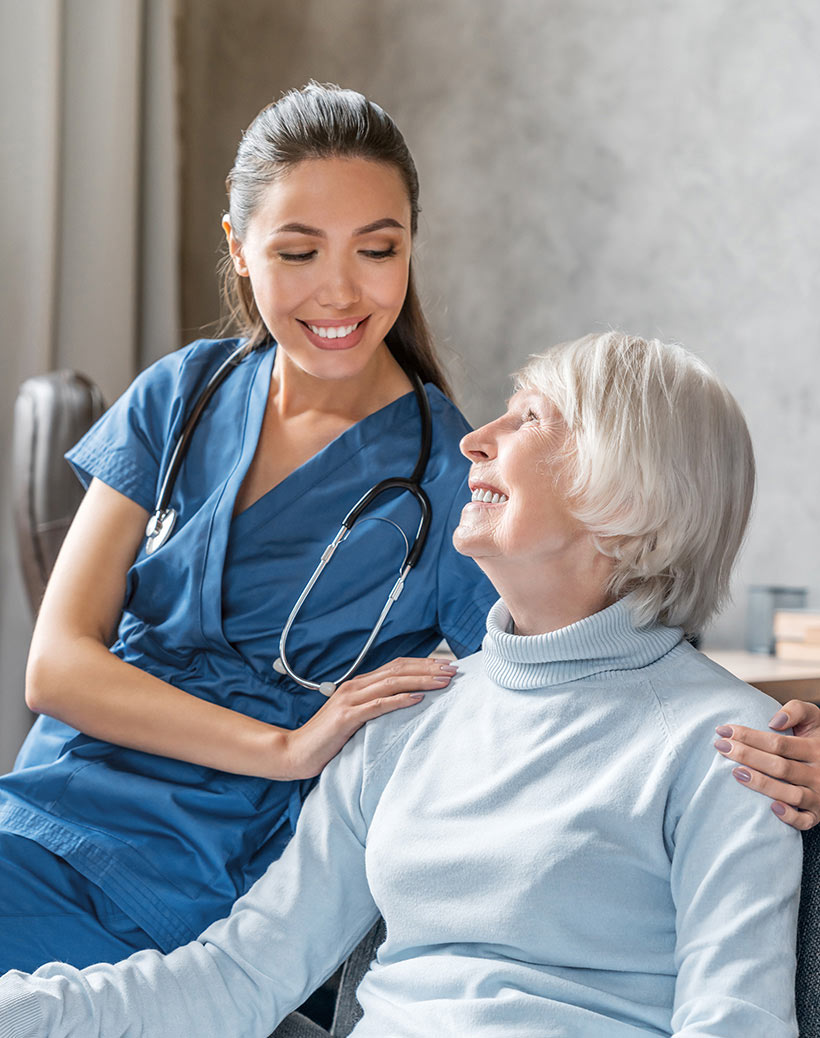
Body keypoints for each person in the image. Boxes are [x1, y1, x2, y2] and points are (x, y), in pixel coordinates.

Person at [0, 332, 802, 1037]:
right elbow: (238, 979)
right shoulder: (407, 717)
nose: (475, 441)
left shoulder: (731, 747)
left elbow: (736, 1022)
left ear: (632, 480)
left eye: (530, 419)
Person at [0, 83, 497, 973]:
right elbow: (56, 666)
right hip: (52, 805)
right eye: (299, 252)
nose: (341, 291)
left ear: (410, 249)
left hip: (216, 864)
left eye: (377, 249)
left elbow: (570, 669)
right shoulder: (183, 393)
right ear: (239, 250)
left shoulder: (456, 476)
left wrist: (757, 739)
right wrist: (286, 744)